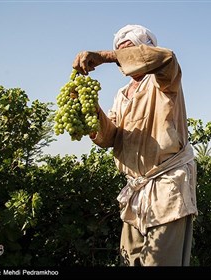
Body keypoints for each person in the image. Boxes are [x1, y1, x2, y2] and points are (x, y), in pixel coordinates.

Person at [72, 24, 198, 266]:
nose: (122, 58)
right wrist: (89, 110)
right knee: (129, 260)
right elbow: (109, 138)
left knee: (161, 262)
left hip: (166, 188)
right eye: (118, 51)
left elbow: (166, 57)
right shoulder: (121, 95)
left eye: (127, 51)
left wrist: (105, 56)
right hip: (135, 191)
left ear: (146, 51)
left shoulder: (164, 81)